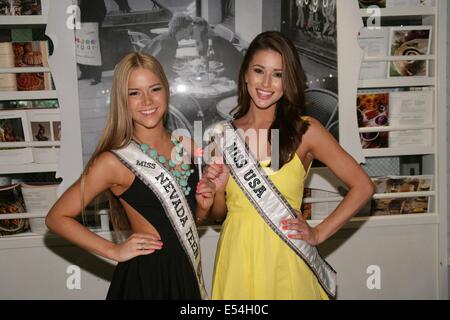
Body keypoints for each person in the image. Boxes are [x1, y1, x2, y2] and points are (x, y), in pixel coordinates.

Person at [204, 31, 375, 300]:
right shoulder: (221, 136)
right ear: (245, 73)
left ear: (288, 80)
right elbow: (218, 215)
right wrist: (216, 190)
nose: (266, 82)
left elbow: (363, 187)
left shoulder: (307, 131)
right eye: (259, 71)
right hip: (237, 258)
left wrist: (318, 233)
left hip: (287, 258)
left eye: (278, 74)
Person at [46, 52, 215, 300]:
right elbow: (56, 217)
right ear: (121, 100)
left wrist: (203, 208)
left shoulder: (184, 145)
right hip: (147, 278)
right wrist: (113, 250)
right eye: (134, 93)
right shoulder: (114, 162)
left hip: (185, 271)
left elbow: (192, 221)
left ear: (167, 90)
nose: (147, 100)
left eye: (154, 89)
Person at [141, 13, 193, 79]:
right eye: (190, 27)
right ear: (182, 28)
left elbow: (164, 63)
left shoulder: (170, 38)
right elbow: (154, 67)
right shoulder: (167, 41)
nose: (192, 30)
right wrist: (178, 77)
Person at [191, 17, 243, 82]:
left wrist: (217, 74)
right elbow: (206, 61)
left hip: (237, 74)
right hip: (220, 73)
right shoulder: (199, 42)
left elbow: (232, 65)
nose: (190, 29)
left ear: (202, 27)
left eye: (192, 26)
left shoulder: (216, 42)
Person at [77, 0, 106, 85]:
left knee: (95, 51)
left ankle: (97, 77)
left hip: (93, 26)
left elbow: (103, 11)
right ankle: (85, 73)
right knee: (82, 49)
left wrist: (96, 22)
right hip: (83, 25)